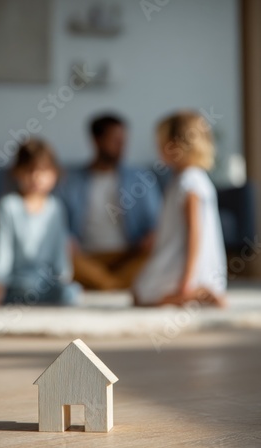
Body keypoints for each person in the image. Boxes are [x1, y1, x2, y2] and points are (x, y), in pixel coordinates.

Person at [0, 139, 80, 306]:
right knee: (24, 288)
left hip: (45, 281)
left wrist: (63, 278)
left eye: (43, 171)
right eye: (29, 170)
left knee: (70, 293)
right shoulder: (8, 205)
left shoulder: (56, 207)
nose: (36, 177)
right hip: (15, 279)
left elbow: (60, 250)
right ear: (17, 172)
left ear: (55, 173)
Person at [57, 114, 162, 290]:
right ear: (96, 140)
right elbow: (57, 221)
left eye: (123, 140)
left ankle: (104, 285)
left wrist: (152, 235)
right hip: (87, 258)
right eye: (115, 140)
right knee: (62, 258)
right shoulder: (70, 181)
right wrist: (66, 239)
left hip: (128, 256)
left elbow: (158, 221)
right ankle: (116, 286)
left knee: (157, 255)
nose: (121, 146)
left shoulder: (141, 179)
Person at [133, 111, 227, 307]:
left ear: (177, 146)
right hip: (183, 259)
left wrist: (187, 279)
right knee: (140, 290)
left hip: (185, 263)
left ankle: (194, 294)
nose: (158, 149)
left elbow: (195, 232)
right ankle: (196, 295)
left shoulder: (189, 182)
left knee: (143, 297)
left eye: (162, 144)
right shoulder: (190, 178)